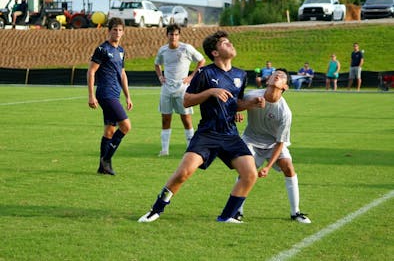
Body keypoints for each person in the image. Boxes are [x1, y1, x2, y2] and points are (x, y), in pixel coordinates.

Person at [138, 30, 265, 223]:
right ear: (214, 52)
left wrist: (250, 104)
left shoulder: (240, 75)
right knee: (183, 173)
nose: (230, 44)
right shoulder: (206, 73)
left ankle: (227, 216)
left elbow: (235, 103)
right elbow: (186, 101)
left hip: (230, 135)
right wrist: (211, 92)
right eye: (224, 43)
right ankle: (156, 209)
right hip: (208, 134)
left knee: (250, 174)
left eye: (229, 41)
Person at [234, 69, 311, 224]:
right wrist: (237, 111)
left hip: (273, 144)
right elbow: (234, 104)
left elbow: (280, 142)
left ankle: (295, 212)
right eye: (275, 74)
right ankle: (236, 211)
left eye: (282, 76)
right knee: (246, 172)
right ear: (267, 80)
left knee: (288, 168)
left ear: (285, 86)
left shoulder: (285, 112)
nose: (277, 76)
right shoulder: (253, 95)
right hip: (250, 140)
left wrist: (268, 167)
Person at [87, 17, 133, 175]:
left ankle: (102, 167)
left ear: (123, 32)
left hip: (115, 94)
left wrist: (128, 96)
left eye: (120, 30)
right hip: (105, 94)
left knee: (109, 131)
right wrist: (91, 95)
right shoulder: (102, 49)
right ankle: (106, 159)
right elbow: (91, 71)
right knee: (126, 126)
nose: (118, 33)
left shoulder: (121, 51)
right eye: (115, 30)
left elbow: (122, 74)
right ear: (109, 31)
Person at [155, 24, 206, 156]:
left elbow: (202, 61)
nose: (173, 37)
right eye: (171, 34)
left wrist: (191, 77)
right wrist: (160, 76)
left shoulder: (186, 48)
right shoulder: (163, 50)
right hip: (166, 88)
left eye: (176, 34)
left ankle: (191, 148)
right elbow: (157, 64)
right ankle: (164, 150)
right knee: (165, 119)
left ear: (179, 36)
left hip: (183, 89)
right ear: (167, 35)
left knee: (186, 118)